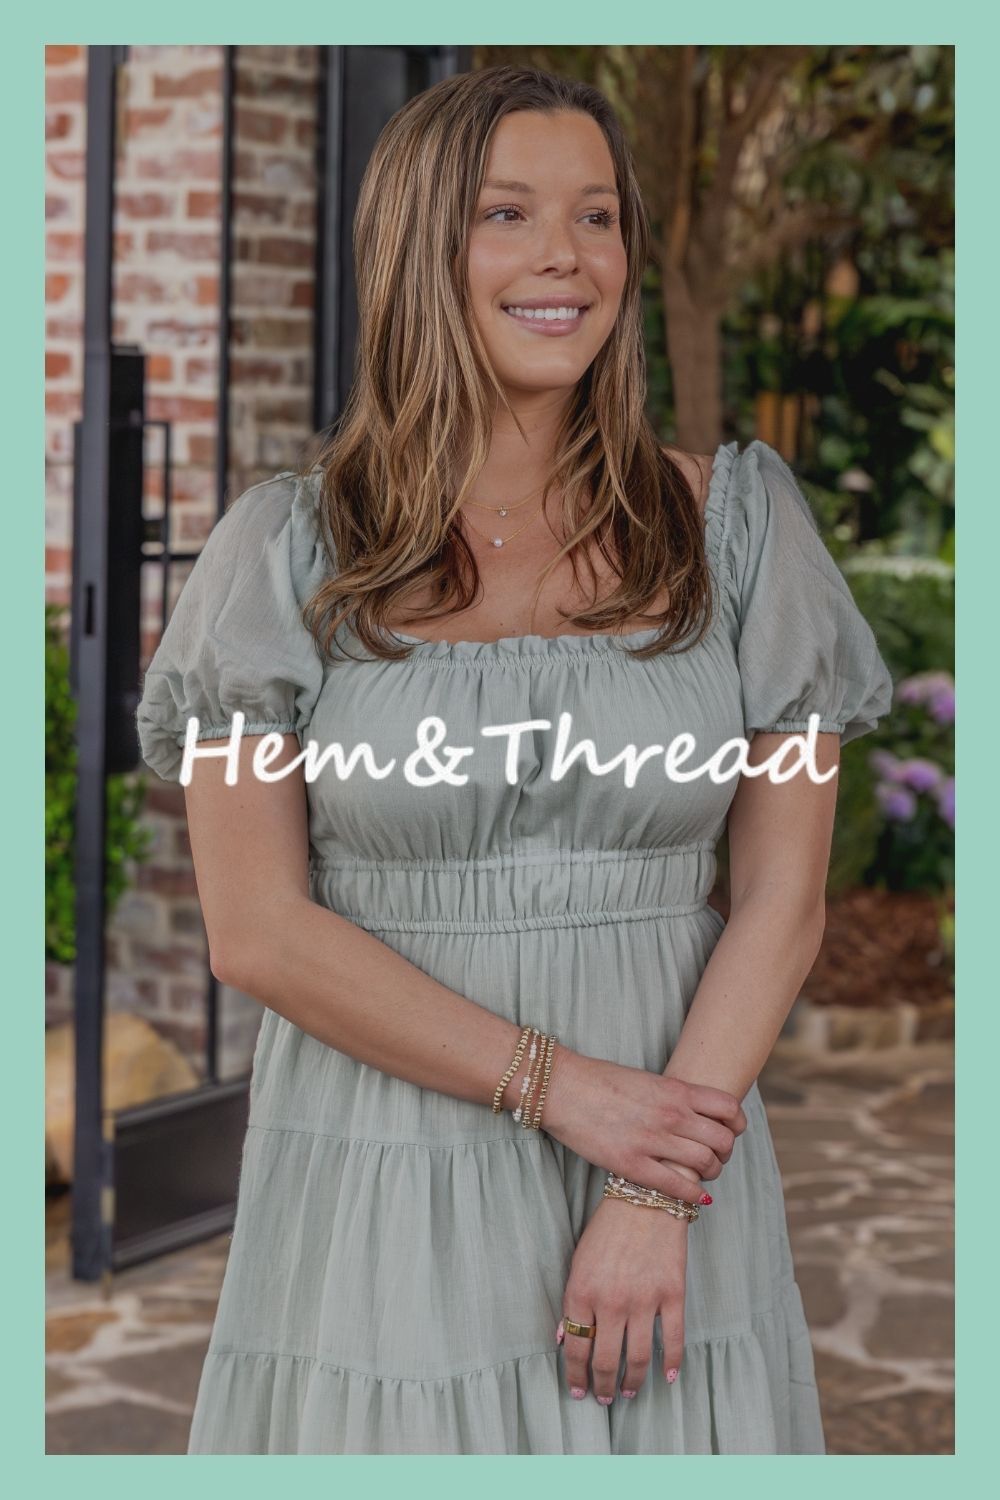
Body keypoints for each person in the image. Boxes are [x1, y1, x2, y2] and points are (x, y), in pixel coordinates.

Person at [135, 65, 894, 1455]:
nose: (566, 256)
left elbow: (784, 902)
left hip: (673, 1159)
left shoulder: (740, 534)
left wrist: (654, 1187)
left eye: (597, 216)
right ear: (418, 249)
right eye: (508, 214)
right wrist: (568, 1092)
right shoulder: (283, 554)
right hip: (385, 1168)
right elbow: (255, 930)